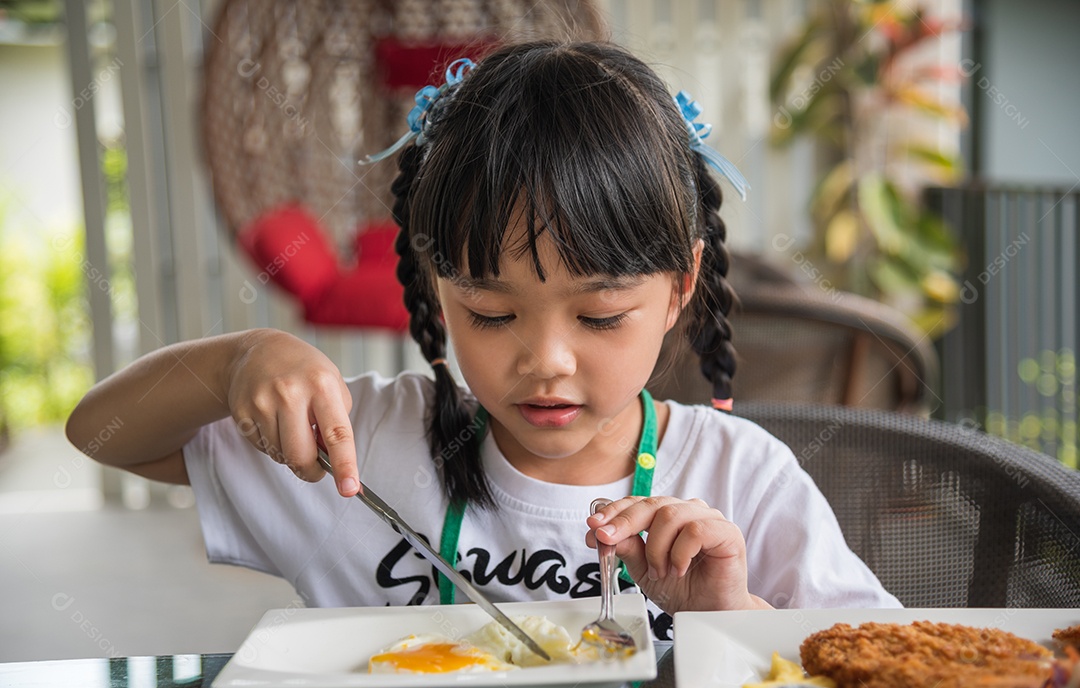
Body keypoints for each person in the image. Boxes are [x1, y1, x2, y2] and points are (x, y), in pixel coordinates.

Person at [66, 40, 899, 641]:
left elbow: (885, 670)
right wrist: (233, 362)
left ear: (681, 285)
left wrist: (735, 618)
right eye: (492, 315)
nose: (547, 361)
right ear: (438, 287)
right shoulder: (364, 449)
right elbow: (102, 434)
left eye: (599, 316)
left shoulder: (740, 479)